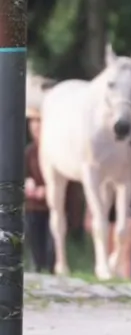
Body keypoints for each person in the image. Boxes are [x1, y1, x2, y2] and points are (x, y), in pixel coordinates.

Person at [23, 103, 53, 275]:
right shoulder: (29, 152)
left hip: (53, 205)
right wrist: (28, 183)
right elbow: (24, 173)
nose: (35, 125)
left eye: (39, 121)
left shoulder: (55, 151)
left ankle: (50, 268)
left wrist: (48, 189)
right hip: (33, 205)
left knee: (51, 245)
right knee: (35, 240)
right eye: (32, 121)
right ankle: (36, 267)